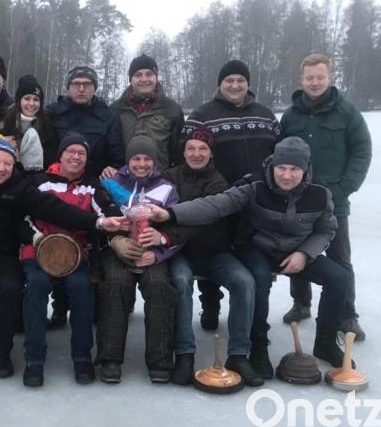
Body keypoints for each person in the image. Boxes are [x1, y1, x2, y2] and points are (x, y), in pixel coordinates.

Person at [149, 136, 353, 377]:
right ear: (273, 165)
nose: (287, 175)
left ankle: (326, 342)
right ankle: (258, 346)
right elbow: (216, 205)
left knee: (339, 278)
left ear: (305, 169)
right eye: (282, 168)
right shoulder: (254, 185)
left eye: (294, 169)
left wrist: (305, 253)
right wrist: (171, 214)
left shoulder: (320, 193)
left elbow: (326, 229)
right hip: (259, 248)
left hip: (298, 250)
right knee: (258, 277)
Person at [0, 135, 126, 380]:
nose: (2, 168)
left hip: (2, 255)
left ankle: (1, 352)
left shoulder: (19, 186)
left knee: (12, 290)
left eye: (7, 164)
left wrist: (97, 222)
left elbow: (54, 209)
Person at [183, 59, 281, 331]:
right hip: (217, 197)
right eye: (229, 81)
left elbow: (278, 155)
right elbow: (189, 154)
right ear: (220, 84)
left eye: (240, 80)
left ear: (248, 84)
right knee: (211, 246)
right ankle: (210, 305)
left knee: (250, 257)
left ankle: (252, 318)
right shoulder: (203, 114)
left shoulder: (265, 115)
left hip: (257, 200)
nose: (235, 85)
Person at [280, 53, 372, 341]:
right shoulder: (292, 115)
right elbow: (279, 153)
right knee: (296, 252)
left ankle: (347, 315)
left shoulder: (347, 112)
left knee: (339, 257)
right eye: (310, 77)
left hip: (334, 200)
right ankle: (301, 303)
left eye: (320, 77)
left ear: (330, 77)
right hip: (298, 199)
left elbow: (361, 151)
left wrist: (345, 187)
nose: (315, 82)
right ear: (301, 79)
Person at [161, 127, 260, 387]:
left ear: (211, 153)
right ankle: (184, 353)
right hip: (179, 252)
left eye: (202, 149)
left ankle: (239, 354)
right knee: (181, 281)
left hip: (214, 252)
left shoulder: (219, 182)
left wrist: (174, 229)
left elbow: (208, 219)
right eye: (191, 148)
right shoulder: (168, 177)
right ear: (183, 152)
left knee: (244, 282)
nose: (196, 154)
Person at [19, 132, 115, 387]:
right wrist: (37, 238)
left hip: (75, 254)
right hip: (37, 249)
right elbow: (22, 216)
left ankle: (82, 356)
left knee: (81, 287)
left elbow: (106, 212)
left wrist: (116, 220)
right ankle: (34, 359)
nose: (75, 157)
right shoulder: (39, 182)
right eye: (70, 151)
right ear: (59, 155)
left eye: (81, 153)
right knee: (37, 285)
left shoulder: (92, 187)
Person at [46, 65, 125, 328]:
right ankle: (59, 306)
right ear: (68, 87)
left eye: (87, 84)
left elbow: (117, 153)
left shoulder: (108, 115)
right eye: (76, 83)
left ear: (94, 87)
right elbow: (47, 148)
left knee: (93, 245)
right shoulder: (54, 113)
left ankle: (92, 304)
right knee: (58, 238)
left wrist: (110, 168)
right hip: (59, 184)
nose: (81, 88)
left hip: (93, 186)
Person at [97, 135, 179, 384]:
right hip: (118, 250)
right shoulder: (110, 183)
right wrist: (114, 242)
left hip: (150, 253)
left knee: (158, 288)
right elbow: (97, 217)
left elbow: (177, 228)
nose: (141, 164)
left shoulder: (167, 188)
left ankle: (160, 360)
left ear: (154, 161)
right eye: (136, 159)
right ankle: (110, 359)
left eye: (147, 159)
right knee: (115, 285)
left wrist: (157, 253)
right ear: (128, 160)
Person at [110, 53, 185, 170]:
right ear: (131, 79)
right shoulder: (116, 109)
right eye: (138, 75)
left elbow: (179, 151)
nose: (144, 79)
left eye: (149, 74)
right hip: (123, 181)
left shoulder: (172, 109)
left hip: (161, 179)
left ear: (156, 77)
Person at [0, 74, 58, 171]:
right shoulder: (4, 123)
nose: (31, 103)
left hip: (40, 177)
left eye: (36, 99)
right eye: (27, 98)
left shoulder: (47, 125)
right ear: (19, 101)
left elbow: (51, 157)